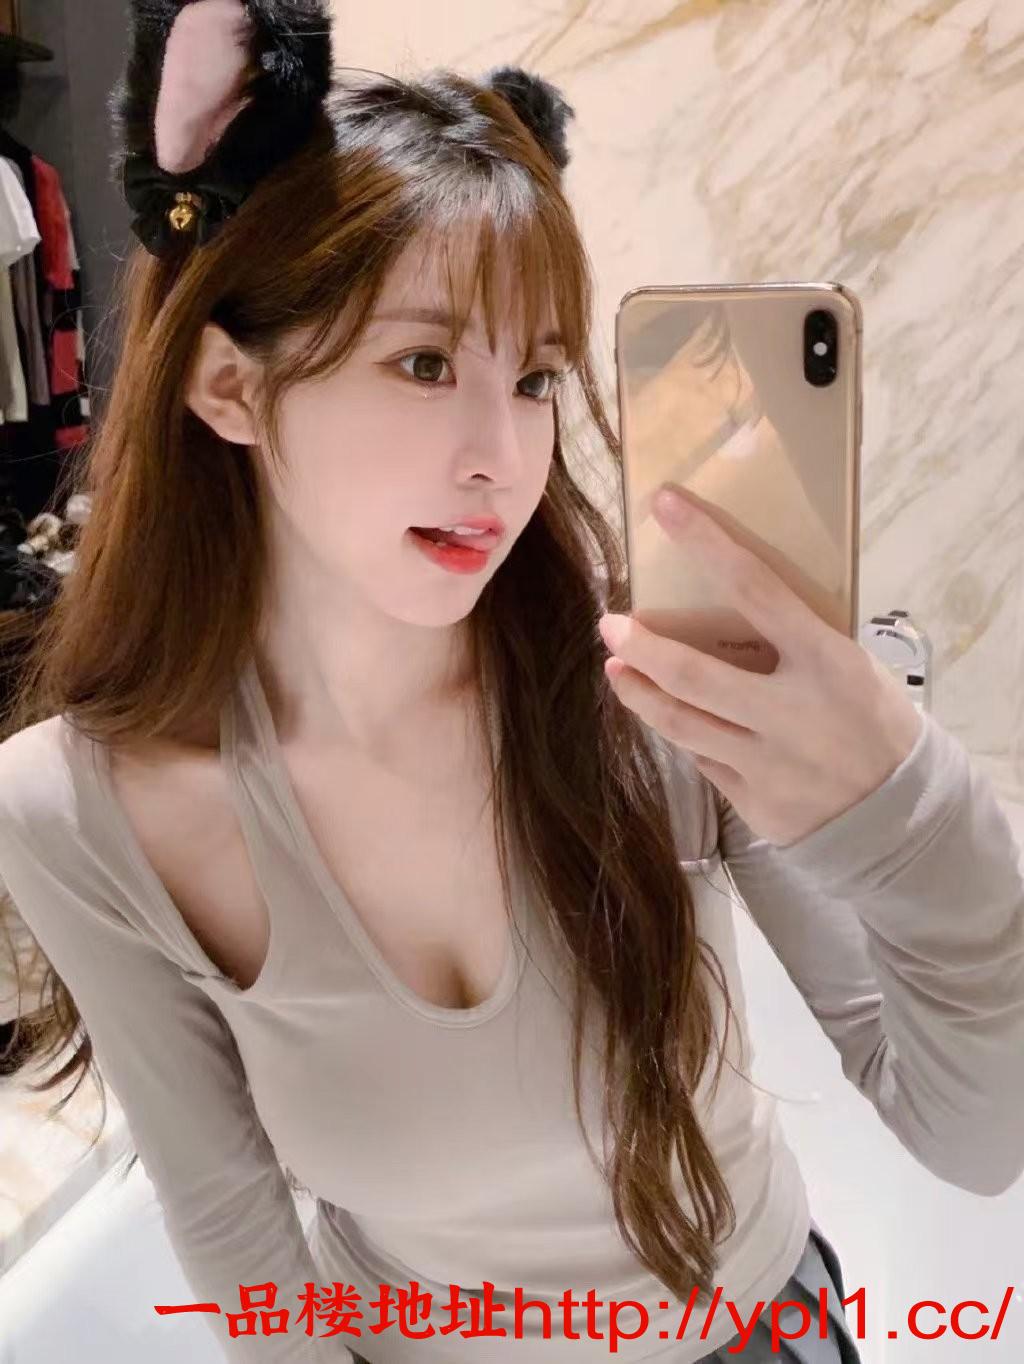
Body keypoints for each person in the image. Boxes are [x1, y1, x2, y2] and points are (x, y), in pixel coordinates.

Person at [1, 3, 1022, 1361]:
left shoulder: (651, 697)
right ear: (229, 387)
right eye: (424, 362)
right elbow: (235, 1232)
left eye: (535, 376)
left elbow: (974, 1137)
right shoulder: (76, 809)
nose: (501, 455)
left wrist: (907, 802)